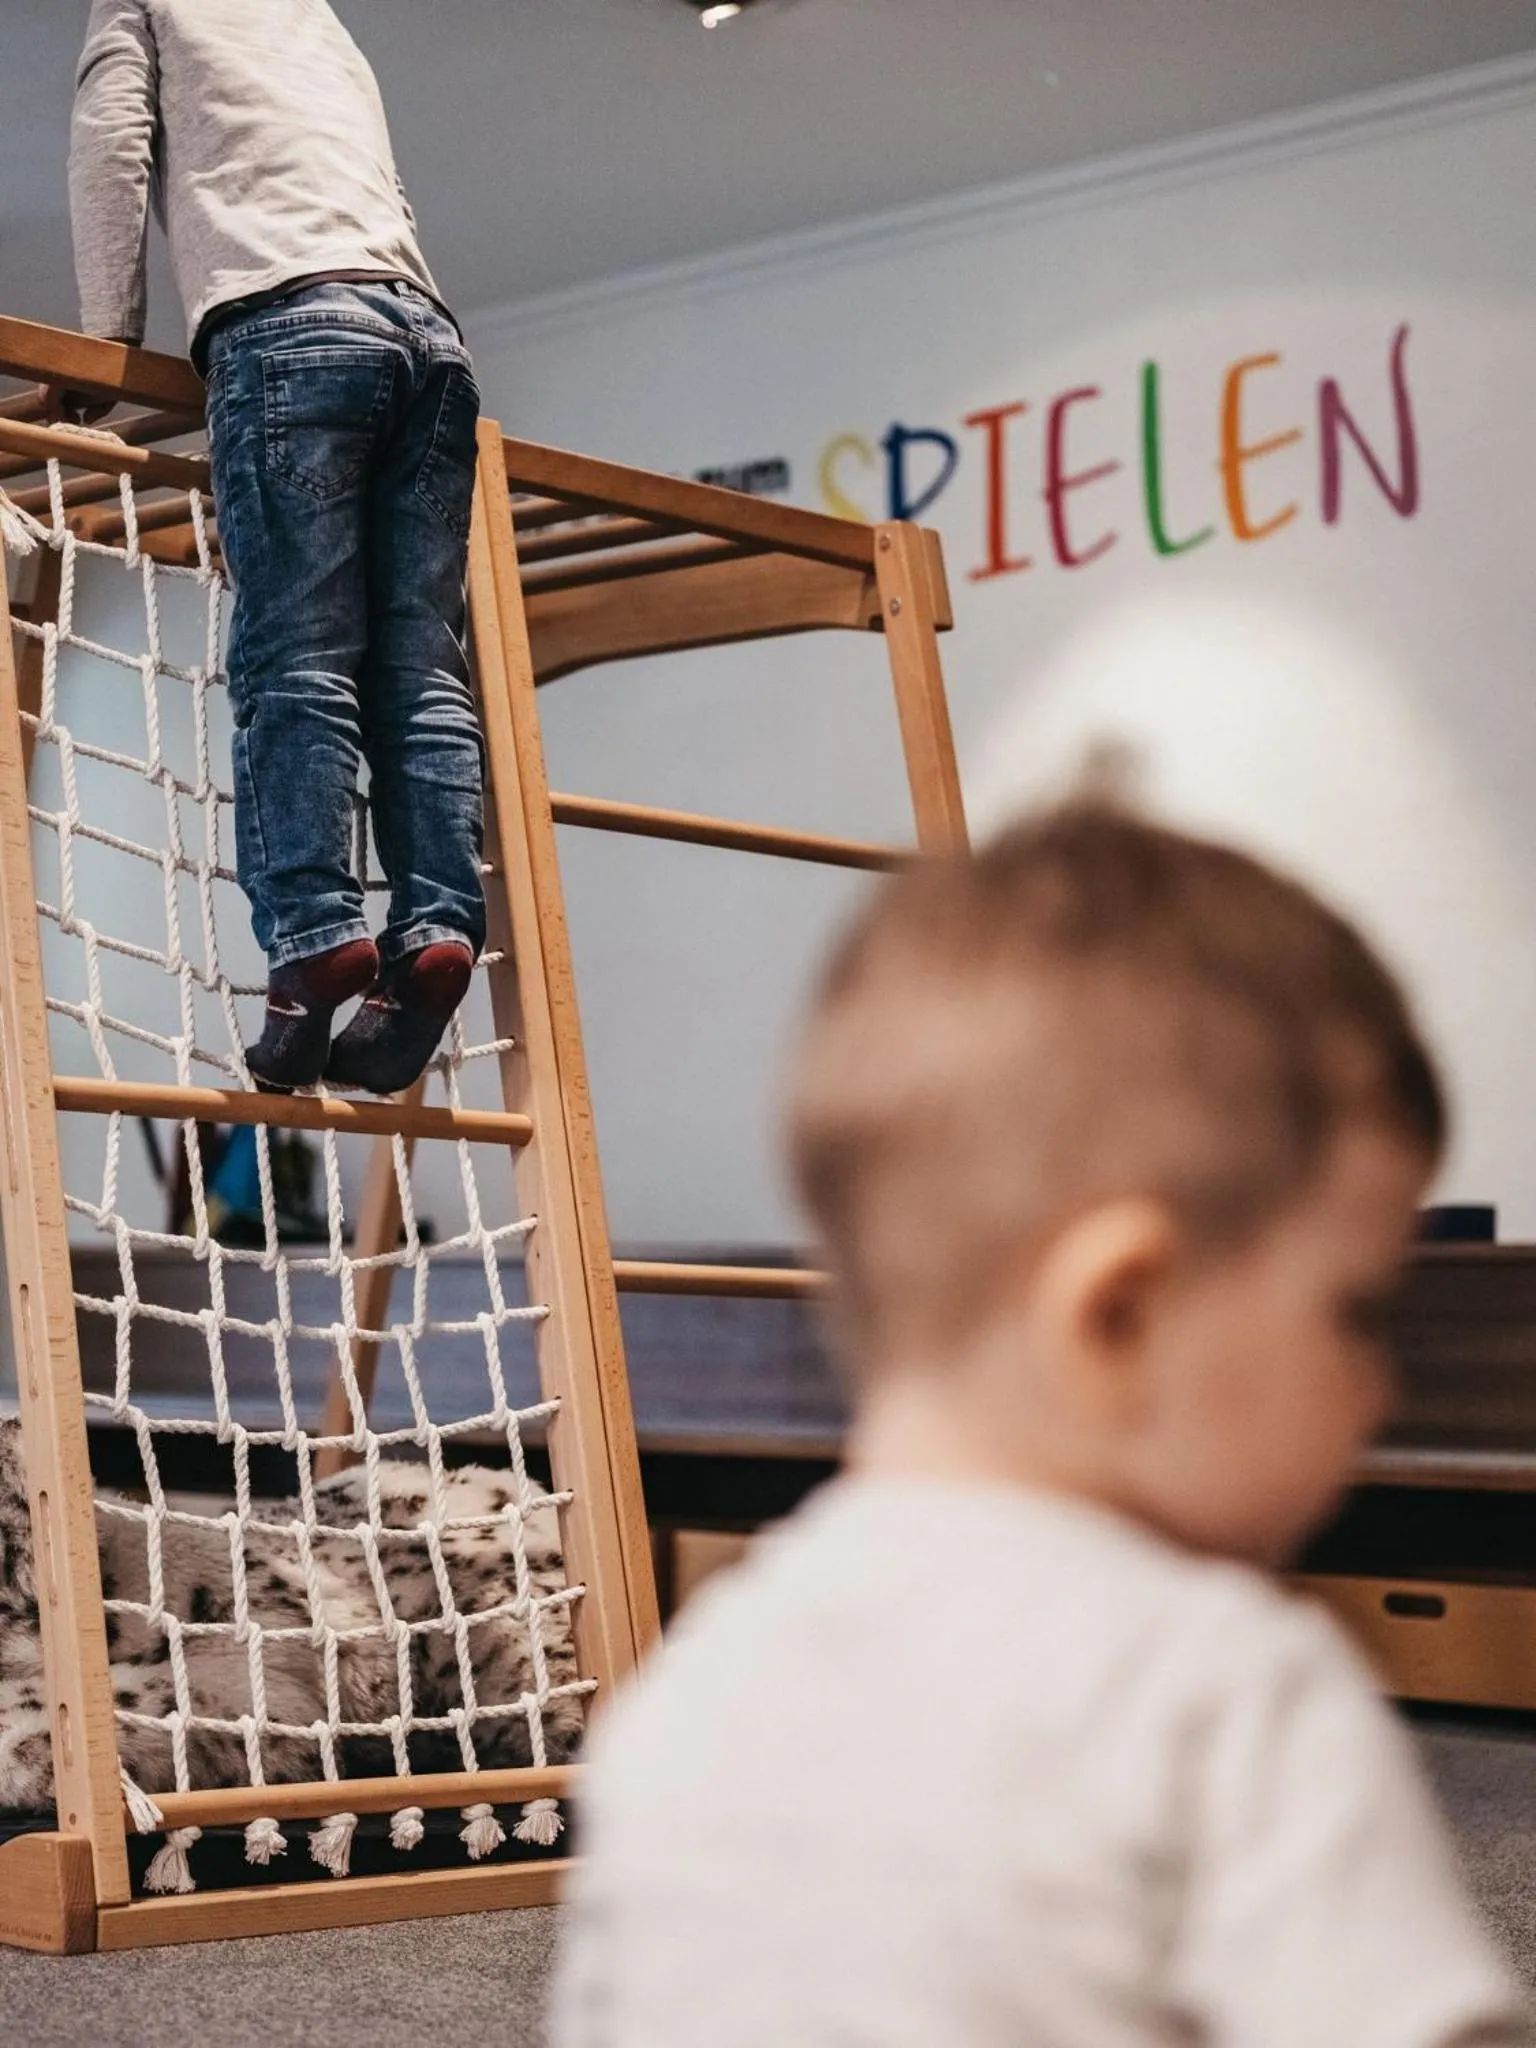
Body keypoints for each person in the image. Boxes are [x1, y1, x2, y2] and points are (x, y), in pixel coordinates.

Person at [554, 802, 1534, 2046]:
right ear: (1119, 1312)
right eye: (1355, 1309)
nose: (1378, 1387)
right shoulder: (1222, 1694)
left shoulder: (685, 1691)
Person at [63, 0, 487, 1094]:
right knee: (420, 667)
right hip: (429, 338)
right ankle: (435, 926)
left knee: (296, 653)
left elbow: (112, 144)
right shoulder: (316, 15)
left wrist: (109, 344)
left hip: (288, 324)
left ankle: (313, 932)